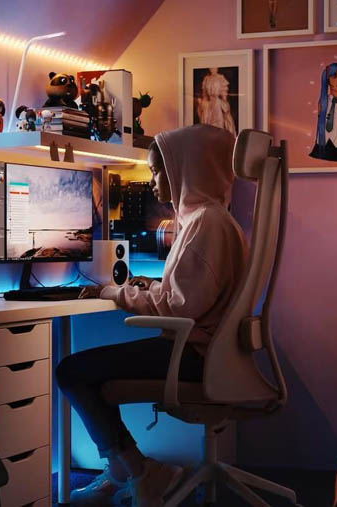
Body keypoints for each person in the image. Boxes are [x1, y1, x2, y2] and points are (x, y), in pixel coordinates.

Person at [57, 124, 247, 506]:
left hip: (193, 356)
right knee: (88, 371)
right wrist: (147, 286)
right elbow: (188, 292)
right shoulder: (212, 219)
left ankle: (137, 470)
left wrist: (115, 292)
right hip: (213, 354)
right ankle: (127, 469)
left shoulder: (205, 224)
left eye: (158, 170)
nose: (153, 179)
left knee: (71, 371)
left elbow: (178, 305)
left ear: (184, 169)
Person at [196, 68, 237, 136]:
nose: (212, 69)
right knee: (207, 126)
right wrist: (203, 102)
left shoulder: (221, 78)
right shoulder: (206, 78)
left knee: (218, 125)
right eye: (211, 68)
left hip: (217, 103)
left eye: (214, 68)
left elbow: (224, 94)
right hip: (209, 105)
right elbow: (204, 94)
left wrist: (223, 101)